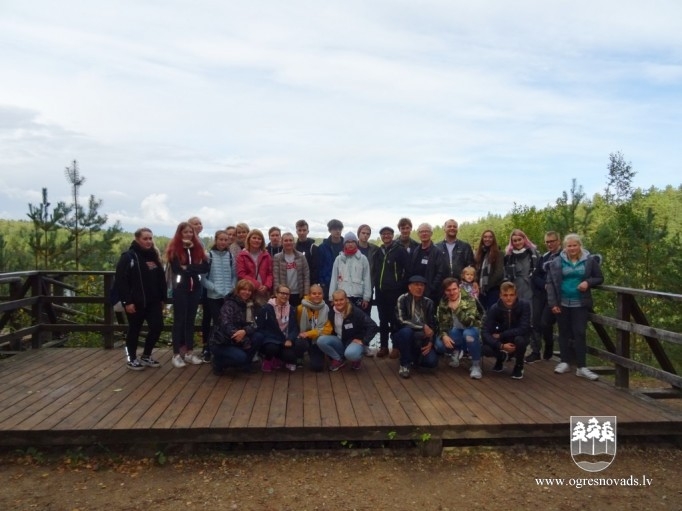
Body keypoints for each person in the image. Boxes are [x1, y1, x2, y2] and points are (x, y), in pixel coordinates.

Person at [546, 233, 604, 381]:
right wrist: (553, 303)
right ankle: (564, 362)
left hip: (580, 302)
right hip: (562, 302)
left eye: (574, 245)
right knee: (563, 332)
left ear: (580, 246)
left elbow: (599, 277)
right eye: (569, 246)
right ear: (565, 247)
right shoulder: (557, 262)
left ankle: (582, 367)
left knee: (580, 333)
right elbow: (550, 284)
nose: (572, 248)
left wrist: (588, 283)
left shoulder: (589, 261)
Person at [114, 227, 167, 370]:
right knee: (134, 330)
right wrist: (127, 301)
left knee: (157, 327)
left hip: (153, 301)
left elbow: (161, 279)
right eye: (145, 238)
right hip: (135, 302)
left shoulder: (154, 256)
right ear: (137, 239)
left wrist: (163, 298)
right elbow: (121, 280)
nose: (149, 241)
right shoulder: (129, 256)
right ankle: (131, 358)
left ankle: (146, 355)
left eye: (150, 238)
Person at [165, 221, 210, 368]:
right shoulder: (174, 249)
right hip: (181, 288)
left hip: (195, 289)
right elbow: (178, 269)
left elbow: (205, 267)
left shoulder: (197, 248)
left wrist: (189, 267)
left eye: (191, 232)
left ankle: (190, 352)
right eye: (186, 232)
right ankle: (176, 354)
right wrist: (193, 268)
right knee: (179, 321)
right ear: (180, 233)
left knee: (190, 321)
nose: (189, 234)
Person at [210, 279, 263, 375]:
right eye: (244, 289)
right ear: (238, 290)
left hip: (242, 337)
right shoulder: (229, 304)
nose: (246, 292)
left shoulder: (251, 305)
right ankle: (218, 363)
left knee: (258, 337)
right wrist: (240, 336)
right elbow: (226, 324)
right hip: (223, 341)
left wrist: (244, 331)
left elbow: (256, 324)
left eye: (249, 290)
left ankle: (245, 364)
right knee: (240, 357)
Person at [316, 290, 378, 371]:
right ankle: (338, 359)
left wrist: (364, 341)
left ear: (346, 299)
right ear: (333, 301)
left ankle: (357, 357)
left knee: (351, 354)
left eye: (341, 300)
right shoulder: (330, 312)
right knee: (321, 340)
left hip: (354, 341)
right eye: (336, 300)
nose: (339, 303)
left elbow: (373, 326)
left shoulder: (355, 312)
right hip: (339, 340)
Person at [435, 277, 484, 379]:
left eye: (454, 289)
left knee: (468, 335)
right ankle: (456, 351)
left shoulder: (469, 299)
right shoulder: (443, 302)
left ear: (459, 288)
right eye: (448, 290)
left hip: (472, 330)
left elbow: (469, 322)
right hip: (455, 331)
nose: (452, 292)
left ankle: (476, 365)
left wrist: (456, 309)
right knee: (440, 344)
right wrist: (444, 336)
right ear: (445, 291)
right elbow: (442, 323)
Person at [525, 231, 562, 363]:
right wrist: (545, 284)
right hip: (541, 293)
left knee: (545, 322)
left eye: (552, 241)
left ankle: (549, 345)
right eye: (547, 242)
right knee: (534, 322)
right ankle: (535, 351)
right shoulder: (545, 257)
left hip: (555, 296)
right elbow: (535, 276)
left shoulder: (564, 256)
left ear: (559, 241)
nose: (549, 244)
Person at [481, 281, 531, 380]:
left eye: (511, 295)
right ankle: (500, 358)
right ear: (500, 295)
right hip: (501, 341)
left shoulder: (524, 305)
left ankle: (519, 365)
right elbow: (485, 331)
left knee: (520, 340)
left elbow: (524, 328)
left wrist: (502, 335)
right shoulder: (494, 308)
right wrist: (500, 345)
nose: (508, 298)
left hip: (515, 337)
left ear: (516, 295)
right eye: (505, 295)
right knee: (485, 348)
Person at [372, 226, 408, 358]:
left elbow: (407, 269)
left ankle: (396, 347)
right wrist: (376, 283)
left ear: (393, 235)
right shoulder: (379, 251)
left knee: (395, 319)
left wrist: (401, 285)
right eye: (383, 234)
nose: (386, 236)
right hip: (381, 290)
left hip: (395, 291)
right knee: (382, 319)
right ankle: (383, 346)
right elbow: (375, 269)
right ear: (381, 236)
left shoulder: (400, 250)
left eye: (388, 234)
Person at [201, 229, 236, 362]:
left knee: (227, 323)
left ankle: (224, 349)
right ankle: (210, 349)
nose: (223, 242)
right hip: (213, 297)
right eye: (220, 239)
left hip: (227, 297)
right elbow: (203, 279)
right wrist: (214, 288)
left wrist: (232, 287)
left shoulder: (231, 256)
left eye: (225, 240)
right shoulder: (208, 256)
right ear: (216, 240)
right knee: (216, 323)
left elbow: (234, 276)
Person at [393, 275, 438, 378]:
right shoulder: (402, 299)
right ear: (409, 287)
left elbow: (432, 325)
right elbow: (401, 320)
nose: (419, 288)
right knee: (406, 332)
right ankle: (404, 364)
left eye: (422, 285)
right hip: (406, 334)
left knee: (432, 362)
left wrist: (431, 341)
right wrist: (422, 326)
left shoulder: (429, 302)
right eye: (416, 285)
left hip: (422, 338)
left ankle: (413, 358)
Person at [257, 285, 308, 372]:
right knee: (272, 348)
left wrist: (290, 339)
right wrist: (279, 340)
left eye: (287, 294)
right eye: (282, 293)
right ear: (276, 294)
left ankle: (280, 358)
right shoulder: (266, 309)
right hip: (272, 339)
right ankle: (268, 359)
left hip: (286, 340)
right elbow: (261, 328)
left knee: (295, 351)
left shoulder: (292, 309)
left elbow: (294, 327)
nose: (285, 296)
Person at [328, 232, 372, 311]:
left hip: (358, 296)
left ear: (356, 243)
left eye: (352, 242)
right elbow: (334, 278)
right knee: (344, 319)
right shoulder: (339, 259)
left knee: (357, 320)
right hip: (342, 295)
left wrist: (366, 298)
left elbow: (366, 278)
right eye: (348, 242)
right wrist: (332, 297)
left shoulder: (363, 259)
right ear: (344, 244)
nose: (350, 244)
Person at [407, 223, 448, 303]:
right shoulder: (415, 251)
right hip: (416, 291)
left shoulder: (437, 252)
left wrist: (431, 288)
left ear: (431, 233)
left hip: (431, 293)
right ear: (418, 234)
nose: (424, 234)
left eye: (427, 231)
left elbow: (441, 272)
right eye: (421, 232)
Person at [296, 284, 333, 372]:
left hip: (317, 338)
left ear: (323, 295)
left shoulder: (326, 309)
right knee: (300, 343)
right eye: (314, 293)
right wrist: (302, 334)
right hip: (303, 337)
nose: (317, 295)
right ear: (309, 295)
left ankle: (317, 354)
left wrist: (309, 333)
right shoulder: (301, 308)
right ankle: (299, 356)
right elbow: (297, 324)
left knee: (317, 367)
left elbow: (327, 329)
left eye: (319, 293)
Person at [236, 228, 273, 305]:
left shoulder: (266, 255)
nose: (256, 240)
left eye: (259, 239)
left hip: (263, 291)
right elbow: (241, 274)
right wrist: (257, 285)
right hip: (248, 290)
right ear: (249, 239)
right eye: (254, 238)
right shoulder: (242, 255)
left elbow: (270, 273)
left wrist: (266, 286)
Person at [273, 232, 310, 308]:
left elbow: (306, 275)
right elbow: (276, 277)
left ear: (294, 242)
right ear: (282, 242)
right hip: (284, 293)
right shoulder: (277, 257)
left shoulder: (301, 256)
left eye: (290, 240)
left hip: (299, 293)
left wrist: (306, 293)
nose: (288, 242)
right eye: (286, 240)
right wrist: (277, 293)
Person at [503, 228, 539, 304]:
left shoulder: (533, 254)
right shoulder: (508, 256)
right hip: (514, 289)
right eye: (515, 241)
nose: (517, 242)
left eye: (519, 239)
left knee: (529, 312)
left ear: (524, 239)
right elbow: (505, 274)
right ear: (512, 242)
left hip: (531, 288)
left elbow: (540, 271)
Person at [474, 230, 505, 310]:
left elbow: (499, 273)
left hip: (493, 290)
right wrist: (476, 283)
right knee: (481, 314)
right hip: (480, 291)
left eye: (490, 237)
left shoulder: (499, 254)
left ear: (493, 239)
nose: (487, 239)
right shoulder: (479, 254)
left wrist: (487, 286)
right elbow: (476, 271)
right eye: (485, 237)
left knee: (492, 313)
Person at [318, 219, 345, 301]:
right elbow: (319, 266)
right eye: (335, 229)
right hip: (327, 283)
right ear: (330, 230)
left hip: (343, 282)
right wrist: (322, 282)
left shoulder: (346, 246)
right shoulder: (323, 247)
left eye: (339, 229)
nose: (338, 231)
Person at [295, 219, 319, 286]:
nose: (302, 233)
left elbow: (316, 268)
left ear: (308, 231)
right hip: (296, 283)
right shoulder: (294, 248)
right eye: (299, 230)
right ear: (296, 231)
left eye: (304, 230)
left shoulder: (313, 248)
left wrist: (314, 283)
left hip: (310, 283)